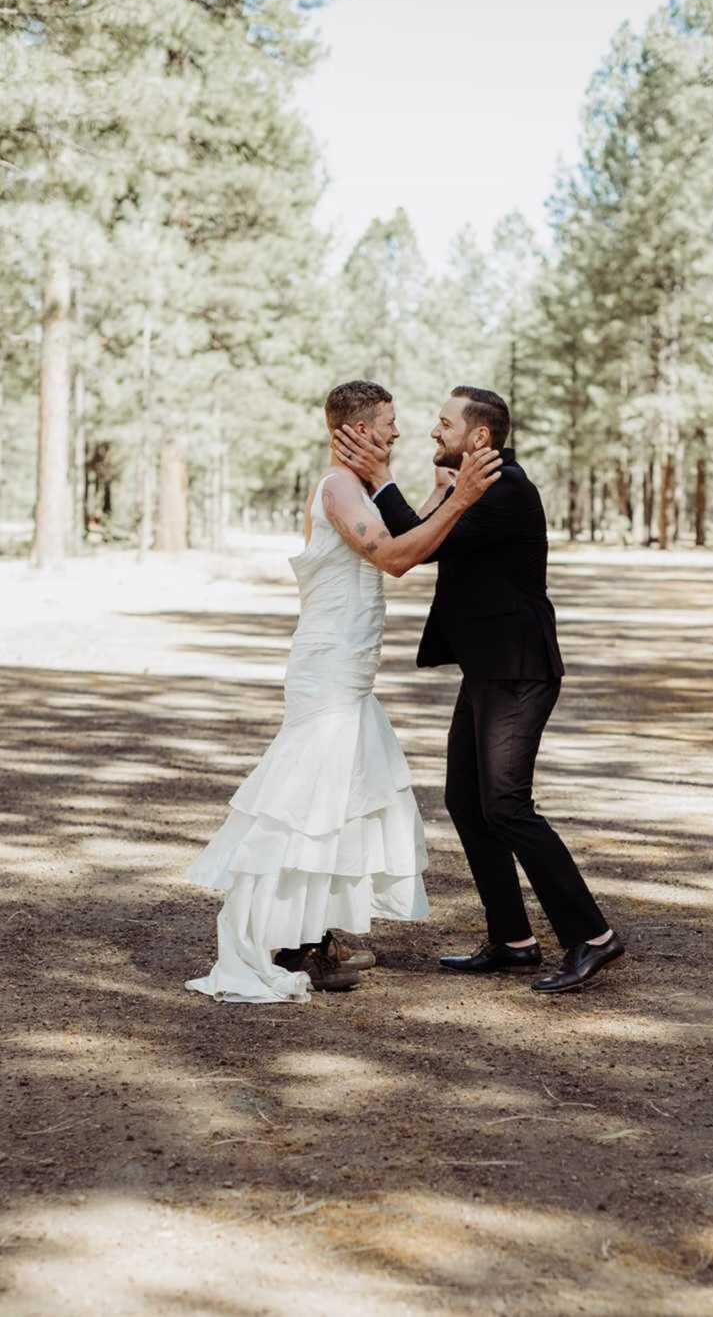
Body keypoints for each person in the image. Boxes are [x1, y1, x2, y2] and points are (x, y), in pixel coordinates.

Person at [184, 381, 501, 1003]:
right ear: (354, 430)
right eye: (387, 421)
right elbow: (392, 557)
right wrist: (458, 501)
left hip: (352, 671)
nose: (396, 432)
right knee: (304, 800)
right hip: (327, 668)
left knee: (341, 800)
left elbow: (415, 536)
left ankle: (312, 938)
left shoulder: (359, 488)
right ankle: (272, 940)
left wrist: (442, 498)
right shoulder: (336, 489)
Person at [333, 386, 624, 994]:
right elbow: (426, 533)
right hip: (489, 668)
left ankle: (592, 936)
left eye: (444, 424)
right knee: (467, 800)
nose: (434, 433)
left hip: (519, 670)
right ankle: (513, 939)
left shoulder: (504, 490)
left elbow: (420, 544)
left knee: (507, 805)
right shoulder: (480, 486)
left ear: (480, 437)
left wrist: (383, 478)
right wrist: (410, 487)